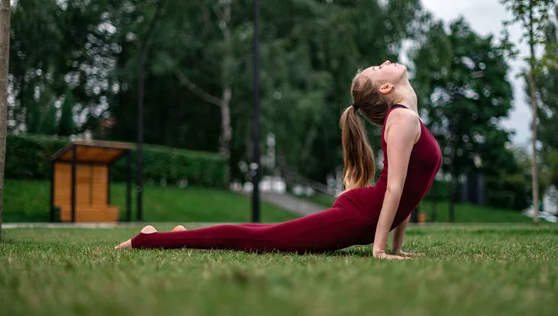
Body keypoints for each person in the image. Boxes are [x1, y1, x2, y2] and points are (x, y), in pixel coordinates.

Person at [115, 60, 442, 260]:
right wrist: (380, 250)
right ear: (386, 87)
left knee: (263, 233)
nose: (384, 61)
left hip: (363, 213)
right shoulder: (403, 119)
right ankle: (149, 239)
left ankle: (179, 236)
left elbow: (406, 195)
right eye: (378, 67)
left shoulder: (407, 118)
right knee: (260, 239)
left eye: (376, 66)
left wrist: (396, 249)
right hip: (358, 216)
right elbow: (394, 190)